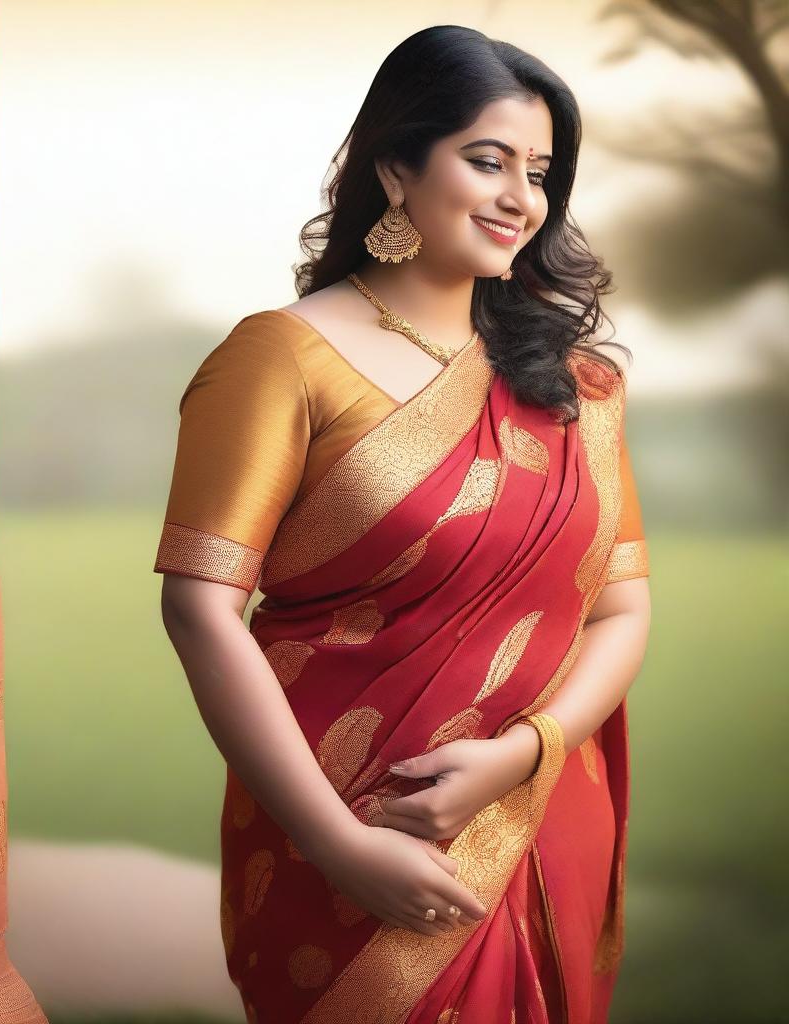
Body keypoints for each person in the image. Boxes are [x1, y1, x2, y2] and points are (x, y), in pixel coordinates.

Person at [153, 24, 651, 1024]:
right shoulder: (279, 361)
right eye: (486, 159)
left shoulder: (575, 390)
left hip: (540, 814)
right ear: (394, 167)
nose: (520, 196)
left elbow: (619, 609)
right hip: (335, 828)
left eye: (540, 171)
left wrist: (524, 751)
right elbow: (199, 607)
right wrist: (340, 845)